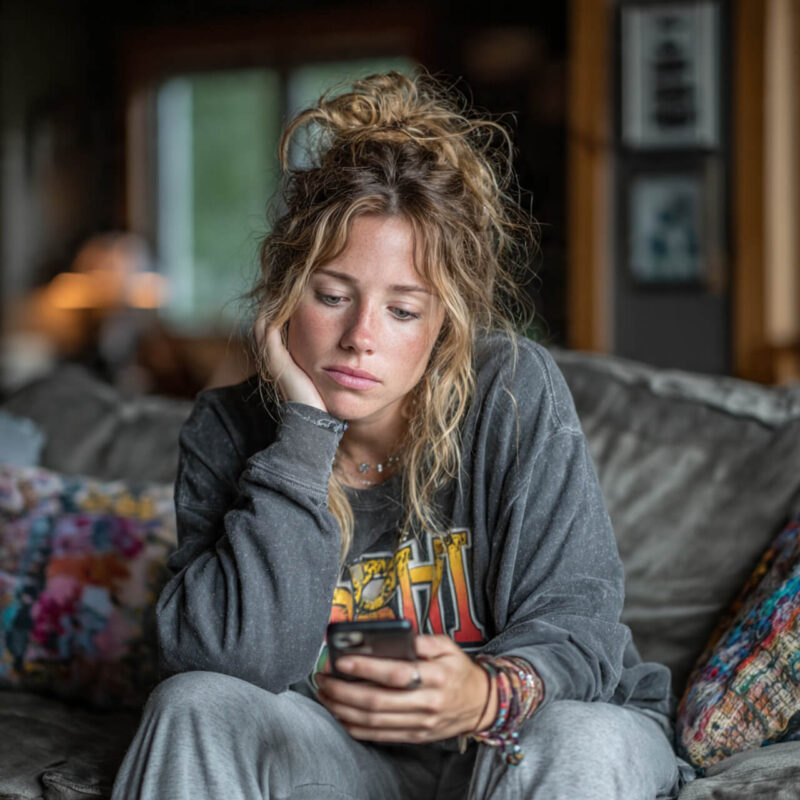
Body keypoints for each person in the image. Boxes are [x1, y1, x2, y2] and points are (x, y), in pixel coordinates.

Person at [112, 71, 684, 799]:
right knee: (194, 705)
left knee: (578, 736)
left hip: (517, 743)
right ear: (284, 294)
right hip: (346, 760)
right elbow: (227, 659)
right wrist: (304, 432)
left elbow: (579, 621)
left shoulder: (509, 389)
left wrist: (481, 695)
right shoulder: (229, 428)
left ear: (445, 323)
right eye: (332, 296)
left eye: (404, 311)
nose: (360, 339)